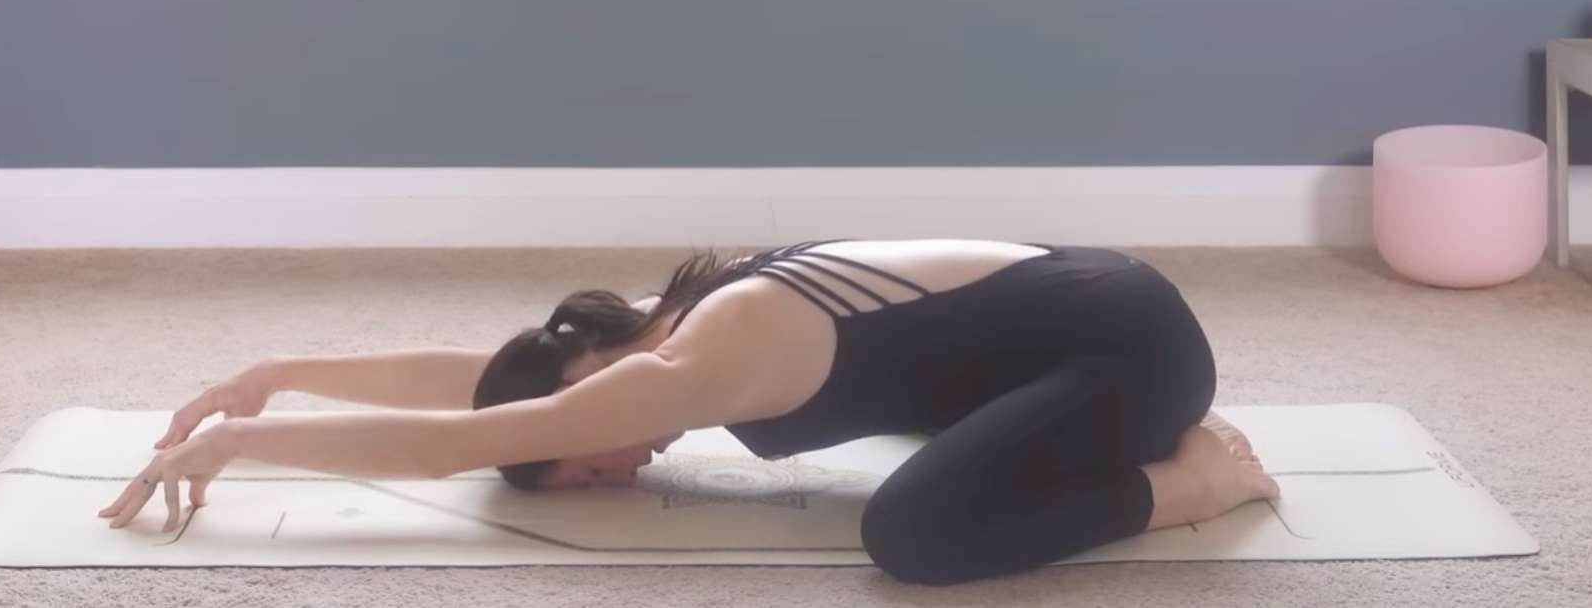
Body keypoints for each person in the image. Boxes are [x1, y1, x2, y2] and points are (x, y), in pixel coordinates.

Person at [100, 239, 1279, 587]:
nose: (614, 472)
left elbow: (450, 437)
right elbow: (472, 381)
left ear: (586, 380)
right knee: (937, 473)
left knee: (913, 537)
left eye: (583, 459)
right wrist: (276, 369)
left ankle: (1200, 480)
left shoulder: (688, 366)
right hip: (1086, 323)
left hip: (1132, 353)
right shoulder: (671, 329)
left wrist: (243, 442)